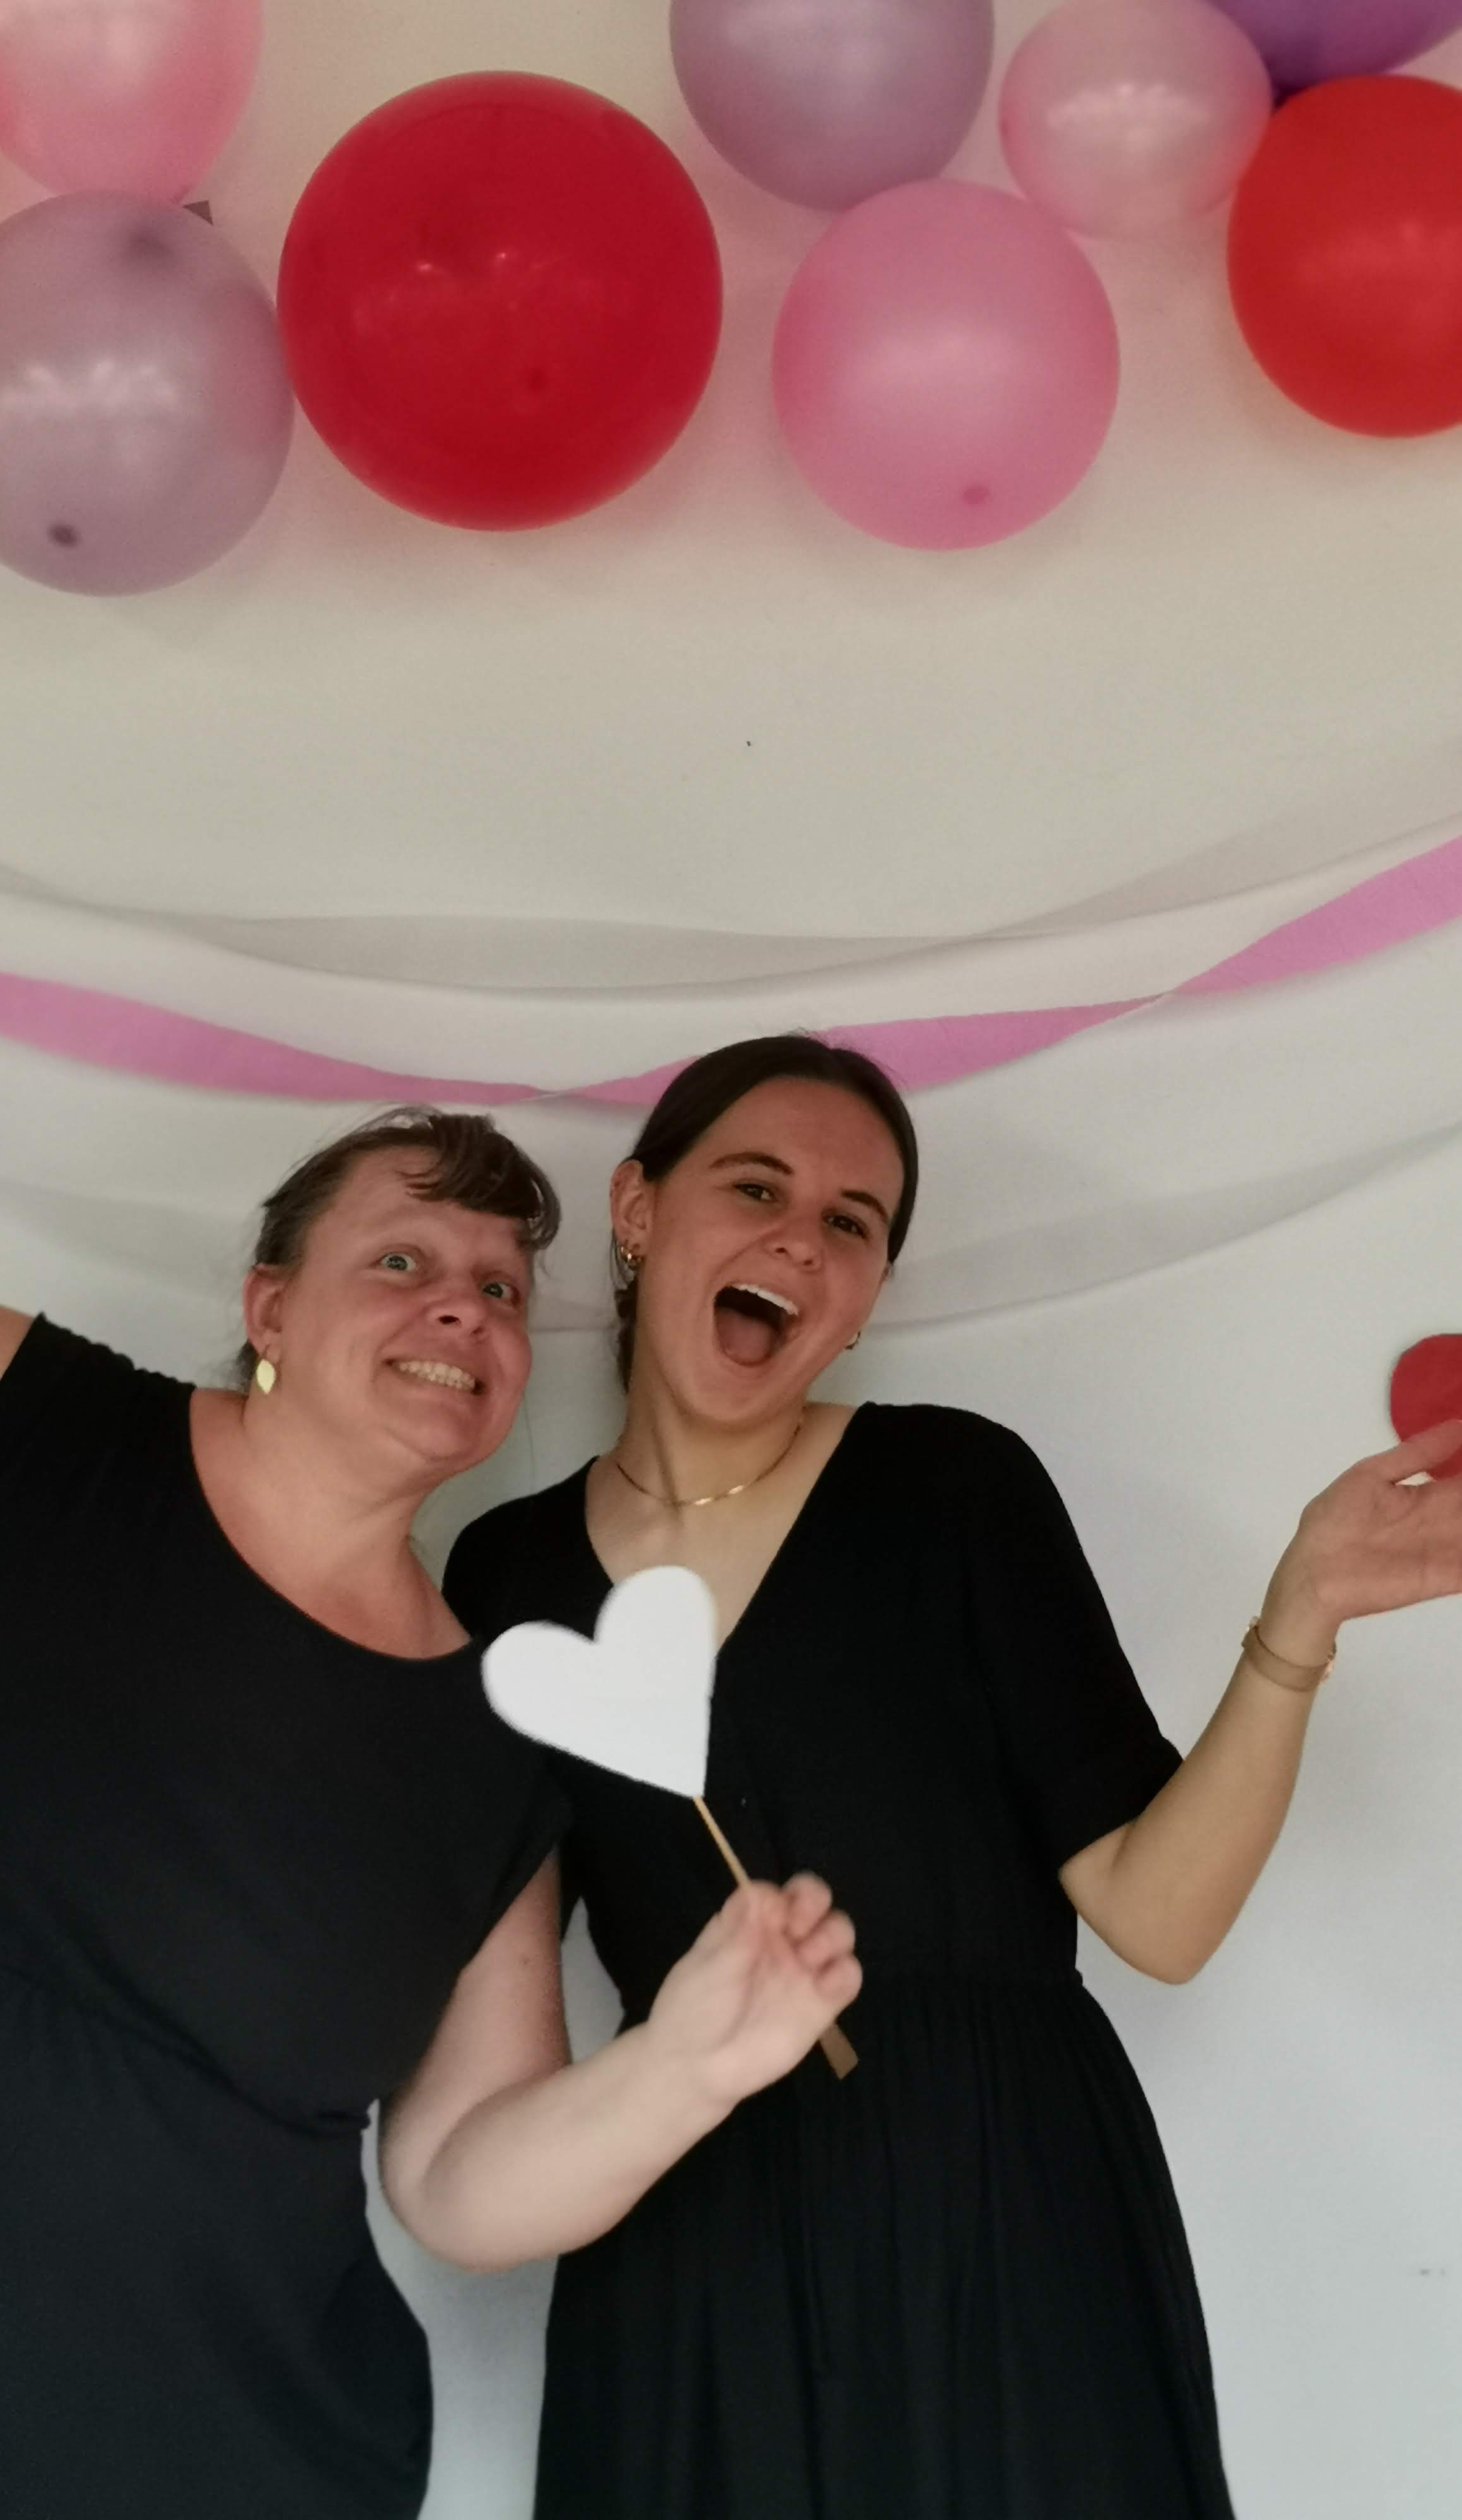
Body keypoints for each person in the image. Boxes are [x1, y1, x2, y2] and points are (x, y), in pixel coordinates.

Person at [0, 760, 861, 2520]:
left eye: (500, 1291)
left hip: (198, 2447)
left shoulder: (488, 1740)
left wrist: (685, 2064)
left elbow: (460, 2178)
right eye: (403, 1260)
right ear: (270, 1306)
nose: (463, 1306)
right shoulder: (42, 1435)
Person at [443, 1031, 1462, 2520]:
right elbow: (489, 2031)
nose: (803, 1235)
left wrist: (1297, 1617)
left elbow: (1158, 1913)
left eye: (852, 1221)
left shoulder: (954, 1487)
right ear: (639, 1207)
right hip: (694, 2236)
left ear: (864, 1299)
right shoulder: (502, 1571)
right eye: (756, 1185)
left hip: (1004, 2209)